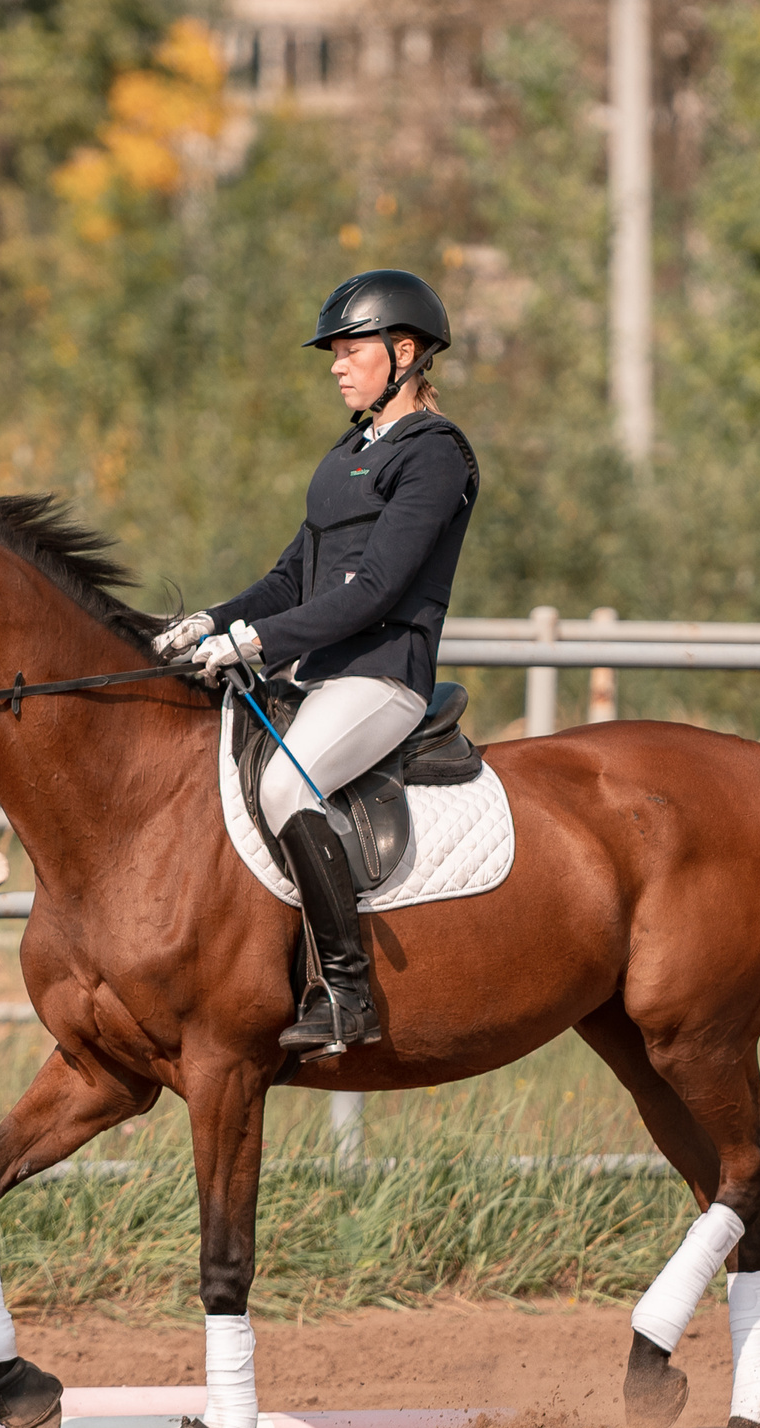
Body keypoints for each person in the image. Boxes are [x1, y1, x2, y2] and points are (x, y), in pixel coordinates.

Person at [154, 269, 480, 1059]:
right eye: (331, 351)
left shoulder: (435, 455)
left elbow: (374, 592)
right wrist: (213, 620)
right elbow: (289, 578)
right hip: (320, 676)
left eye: (349, 347)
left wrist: (260, 643)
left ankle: (345, 991)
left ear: (403, 352)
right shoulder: (349, 453)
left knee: (284, 781)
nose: (335, 363)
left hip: (382, 676)